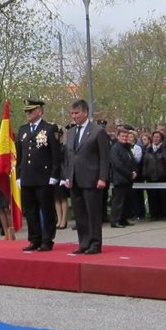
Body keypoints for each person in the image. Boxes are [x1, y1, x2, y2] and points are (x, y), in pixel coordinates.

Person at [16, 99, 63, 252]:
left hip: (44, 176)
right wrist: (18, 175)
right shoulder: (23, 130)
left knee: (46, 209)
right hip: (27, 176)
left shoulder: (49, 129)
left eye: (31, 111)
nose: (28, 114)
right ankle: (34, 238)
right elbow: (20, 154)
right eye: (26, 111)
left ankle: (47, 239)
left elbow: (56, 154)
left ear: (40, 111)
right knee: (30, 210)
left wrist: (54, 174)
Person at [63, 99, 109, 255]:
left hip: (92, 178)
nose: (74, 116)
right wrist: (67, 176)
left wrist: (102, 177)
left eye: (76, 113)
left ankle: (95, 243)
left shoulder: (97, 131)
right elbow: (69, 156)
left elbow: (104, 157)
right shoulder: (70, 132)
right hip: (75, 178)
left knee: (93, 213)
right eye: (72, 113)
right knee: (80, 214)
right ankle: (83, 242)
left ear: (85, 113)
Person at [108, 126, 138, 227]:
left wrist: (134, 171)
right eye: (122, 136)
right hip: (120, 178)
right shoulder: (115, 148)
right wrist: (129, 174)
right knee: (118, 201)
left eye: (126, 136)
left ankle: (124, 219)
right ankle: (115, 220)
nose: (124, 138)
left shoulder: (127, 148)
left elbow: (132, 161)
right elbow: (117, 164)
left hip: (128, 179)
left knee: (126, 201)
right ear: (118, 136)